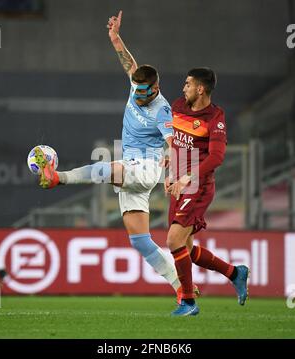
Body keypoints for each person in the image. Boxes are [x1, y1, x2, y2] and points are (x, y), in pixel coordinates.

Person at [33, 10, 199, 304]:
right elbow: (129, 63)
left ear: (156, 89)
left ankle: (58, 177)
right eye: (135, 91)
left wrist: (172, 169)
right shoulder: (138, 84)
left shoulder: (162, 111)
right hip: (133, 170)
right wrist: (114, 37)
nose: (136, 97)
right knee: (141, 241)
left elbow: (174, 142)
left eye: (143, 94)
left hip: (146, 168)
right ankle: (181, 287)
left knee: (108, 168)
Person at [165, 68, 249, 316]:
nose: (184, 88)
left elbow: (216, 157)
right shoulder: (178, 106)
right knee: (186, 249)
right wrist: (169, 170)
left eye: (188, 84)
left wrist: (187, 177)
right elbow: (173, 140)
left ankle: (188, 302)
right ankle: (235, 272)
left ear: (200, 89)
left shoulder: (215, 117)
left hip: (197, 185)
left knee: (173, 240)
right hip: (178, 184)